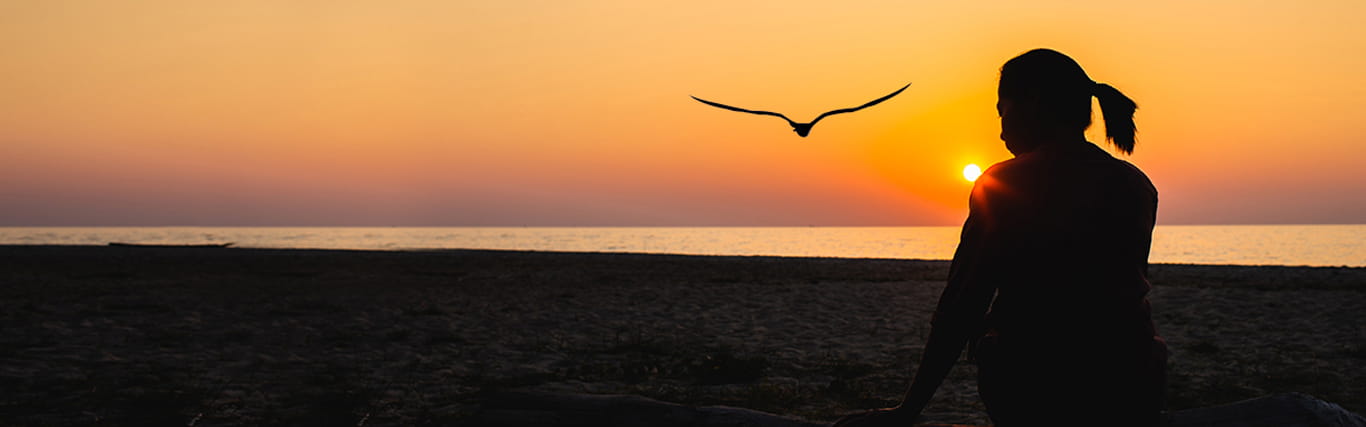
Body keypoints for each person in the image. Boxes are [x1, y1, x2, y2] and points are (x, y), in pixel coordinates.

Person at [835, 48, 1167, 427]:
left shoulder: (1005, 183)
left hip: (1038, 386)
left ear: (1034, 103)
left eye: (1002, 111)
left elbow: (963, 303)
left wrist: (908, 410)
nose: (1001, 129)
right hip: (1135, 383)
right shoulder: (1135, 183)